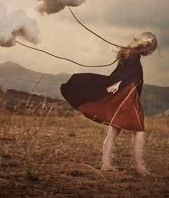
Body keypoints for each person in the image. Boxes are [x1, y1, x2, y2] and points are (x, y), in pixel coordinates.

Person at [60, 32, 158, 175]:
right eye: (148, 38)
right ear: (142, 39)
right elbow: (127, 74)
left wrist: (118, 82)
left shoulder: (131, 52)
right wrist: (119, 83)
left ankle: (106, 164)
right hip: (127, 95)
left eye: (151, 41)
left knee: (115, 130)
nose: (149, 41)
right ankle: (140, 168)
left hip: (127, 93)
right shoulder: (132, 53)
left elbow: (127, 72)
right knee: (139, 131)